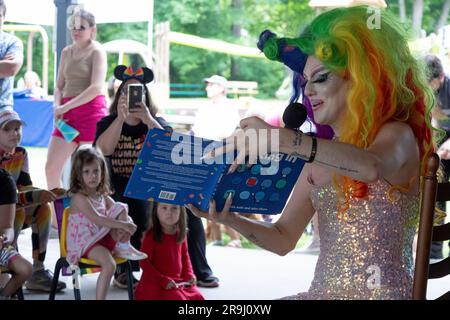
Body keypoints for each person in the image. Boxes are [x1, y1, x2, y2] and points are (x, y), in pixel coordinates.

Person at [189, 6, 435, 299]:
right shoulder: (317, 155)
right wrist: (228, 219)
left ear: (362, 78)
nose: (308, 92)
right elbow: (283, 239)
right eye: (305, 82)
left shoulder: (396, 134)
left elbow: (371, 168)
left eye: (321, 78)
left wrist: (282, 140)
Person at [94, 65, 169, 288]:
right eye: (126, 91)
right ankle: (124, 270)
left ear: (146, 97)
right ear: (119, 97)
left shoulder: (156, 122)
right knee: (124, 204)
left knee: (183, 212)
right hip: (116, 186)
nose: (132, 96)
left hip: (147, 185)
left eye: (138, 91)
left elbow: (168, 148)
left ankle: (191, 270)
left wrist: (147, 119)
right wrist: (120, 118)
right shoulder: (107, 123)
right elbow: (104, 150)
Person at [66, 147, 147, 300]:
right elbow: (98, 219)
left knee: (121, 206)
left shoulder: (101, 196)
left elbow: (118, 210)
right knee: (110, 265)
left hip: (101, 237)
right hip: (86, 242)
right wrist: (123, 225)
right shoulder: (79, 198)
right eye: (87, 172)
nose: (92, 176)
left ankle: (124, 246)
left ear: (102, 172)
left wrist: (128, 223)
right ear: (78, 175)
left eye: (96, 171)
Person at [0, 109, 66, 292]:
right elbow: (9, 198)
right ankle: (11, 263)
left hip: (13, 205)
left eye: (18, 128)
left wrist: (46, 194)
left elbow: (24, 187)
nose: (15, 133)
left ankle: (37, 270)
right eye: (8, 129)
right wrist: (38, 195)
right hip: (4, 212)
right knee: (19, 211)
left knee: (43, 209)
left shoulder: (21, 153)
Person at [45, 9, 107, 190]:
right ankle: (58, 217)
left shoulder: (97, 51)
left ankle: (94, 213)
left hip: (91, 115)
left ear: (92, 30)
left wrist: (65, 107)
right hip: (67, 117)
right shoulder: (66, 52)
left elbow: (96, 87)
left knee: (92, 171)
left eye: (81, 27)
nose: (76, 31)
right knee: (51, 169)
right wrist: (57, 106)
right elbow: (58, 86)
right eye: (72, 27)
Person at [191, 75, 242, 247]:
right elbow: (197, 129)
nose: (208, 88)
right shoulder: (205, 107)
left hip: (222, 154)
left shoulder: (228, 107)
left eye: (211, 85)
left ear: (221, 88)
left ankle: (235, 238)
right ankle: (217, 237)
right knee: (207, 195)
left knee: (221, 196)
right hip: (205, 153)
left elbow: (228, 132)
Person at [134, 202, 204, 300]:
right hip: (155, 283)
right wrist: (162, 280)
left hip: (177, 281)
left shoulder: (181, 234)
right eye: (164, 208)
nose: (169, 212)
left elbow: (185, 256)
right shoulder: (151, 236)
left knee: (198, 296)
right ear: (155, 211)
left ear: (181, 212)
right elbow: (144, 263)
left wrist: (189, 274)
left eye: (174, 208)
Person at [424, 54, 450, 260]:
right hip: (440, 143)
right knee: (436, 191)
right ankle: (434, 252)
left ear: (440, 77)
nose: (426, 85)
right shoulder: (424, 92)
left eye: (428, 81)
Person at [0, 168, 33, 300]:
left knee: (26, 268)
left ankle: (3, 296)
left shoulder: (4, 180)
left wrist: (4, 238)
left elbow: (7, 227)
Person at [0, 0, 23, 111]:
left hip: (3, 107)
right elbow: (4, 69)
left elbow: (11, 68)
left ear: (4, 17)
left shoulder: (12, 42)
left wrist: (6, 67)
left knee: (12, 126)